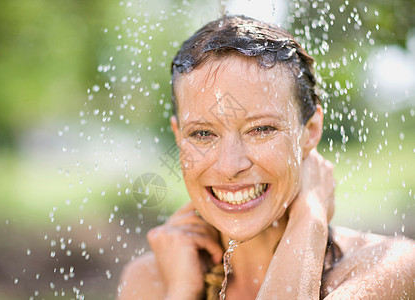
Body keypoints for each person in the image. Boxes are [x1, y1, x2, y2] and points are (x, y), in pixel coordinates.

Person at [118, 15, 414, 299]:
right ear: (179, 135)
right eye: (203, 134)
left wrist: (310, 216)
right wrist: (182, 292)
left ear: (310, 131)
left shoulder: (383, 268)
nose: (229, 166)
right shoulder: (150, 282)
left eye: (260, 129)